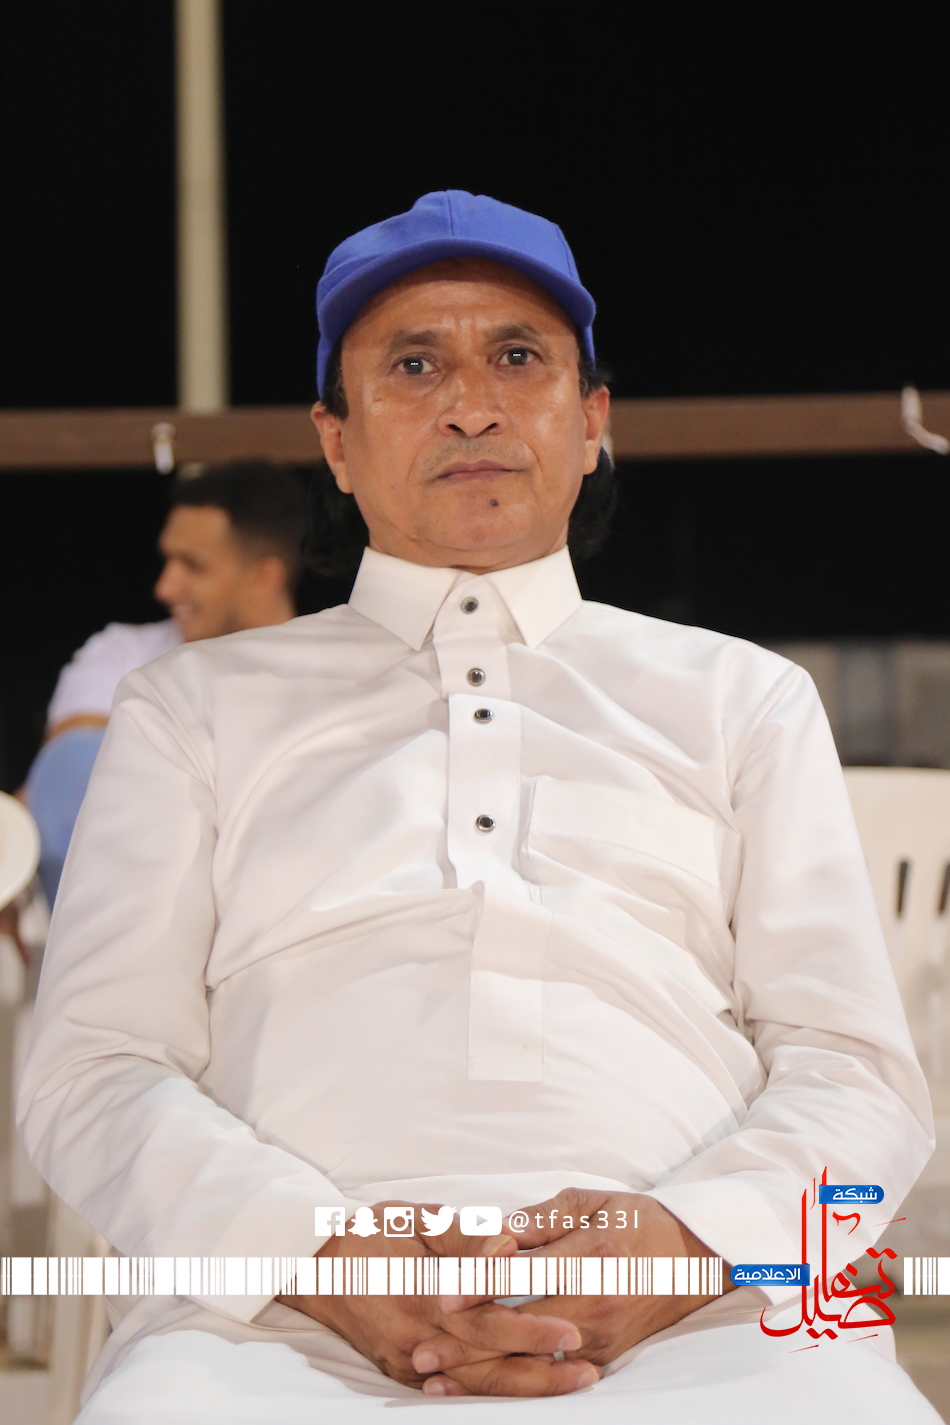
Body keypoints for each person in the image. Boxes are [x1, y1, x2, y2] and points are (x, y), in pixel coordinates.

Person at [17, 192, 938, 1423]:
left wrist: (682, 1243)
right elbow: (96, 1067)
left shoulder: (736, 697)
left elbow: (855, 1071)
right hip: (275, 1315)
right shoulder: (192, 708)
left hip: (709, 1303)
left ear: (590, 421)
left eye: (517, 358)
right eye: (413, 366)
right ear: (335, 443)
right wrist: (321, 1253)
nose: (470, 405)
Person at [24, 459, 307, 901]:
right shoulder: (120, 653)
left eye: (193, 566)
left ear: (263, 577)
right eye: (168, 559)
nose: (165, 587)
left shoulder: (330, 675)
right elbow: (68, 792)